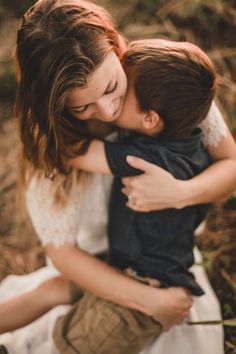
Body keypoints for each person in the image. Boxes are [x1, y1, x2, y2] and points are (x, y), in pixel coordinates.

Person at [0, 0, 234, 353]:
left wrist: (179, 193)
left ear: (117, 48)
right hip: (95, 271)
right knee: (65, 316)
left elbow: (230, 163)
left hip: (163, 263)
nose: (108, 112)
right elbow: (65, 256)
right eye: (82, 107)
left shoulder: (164, 82)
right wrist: (146, 300)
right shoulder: (54, 139)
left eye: (111, 88)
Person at [49, 38, 217, 354]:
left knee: (76, 345)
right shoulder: (193, 143)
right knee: (76, 327)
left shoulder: (144, 157)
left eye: (121, 95)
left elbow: (71, 154)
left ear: (150, 119)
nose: (110, 106)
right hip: (154, 271)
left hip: (143, 289)